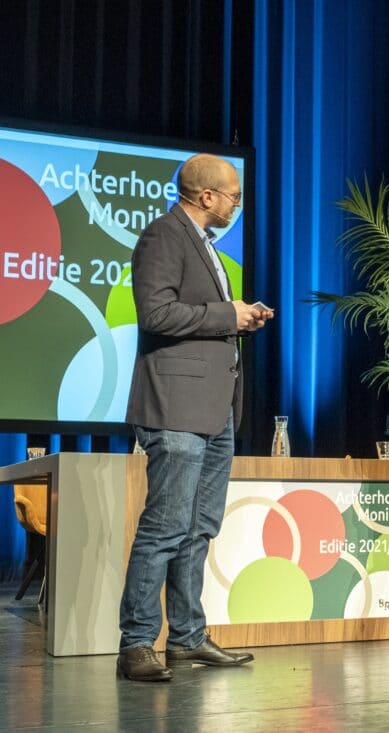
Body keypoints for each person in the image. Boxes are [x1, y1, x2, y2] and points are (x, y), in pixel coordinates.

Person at [117, 153, 273, 681]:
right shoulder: (163, 236)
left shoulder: (205, 247)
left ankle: (186, 637)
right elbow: (155, 313)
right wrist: (226, 314)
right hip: (176, 408)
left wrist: (242, 318)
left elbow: (202, 320)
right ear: (205, 196)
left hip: (215, 409)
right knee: (164, 526)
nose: (237, 204)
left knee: (199, 528)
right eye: (233, 195)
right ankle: (137, 642)